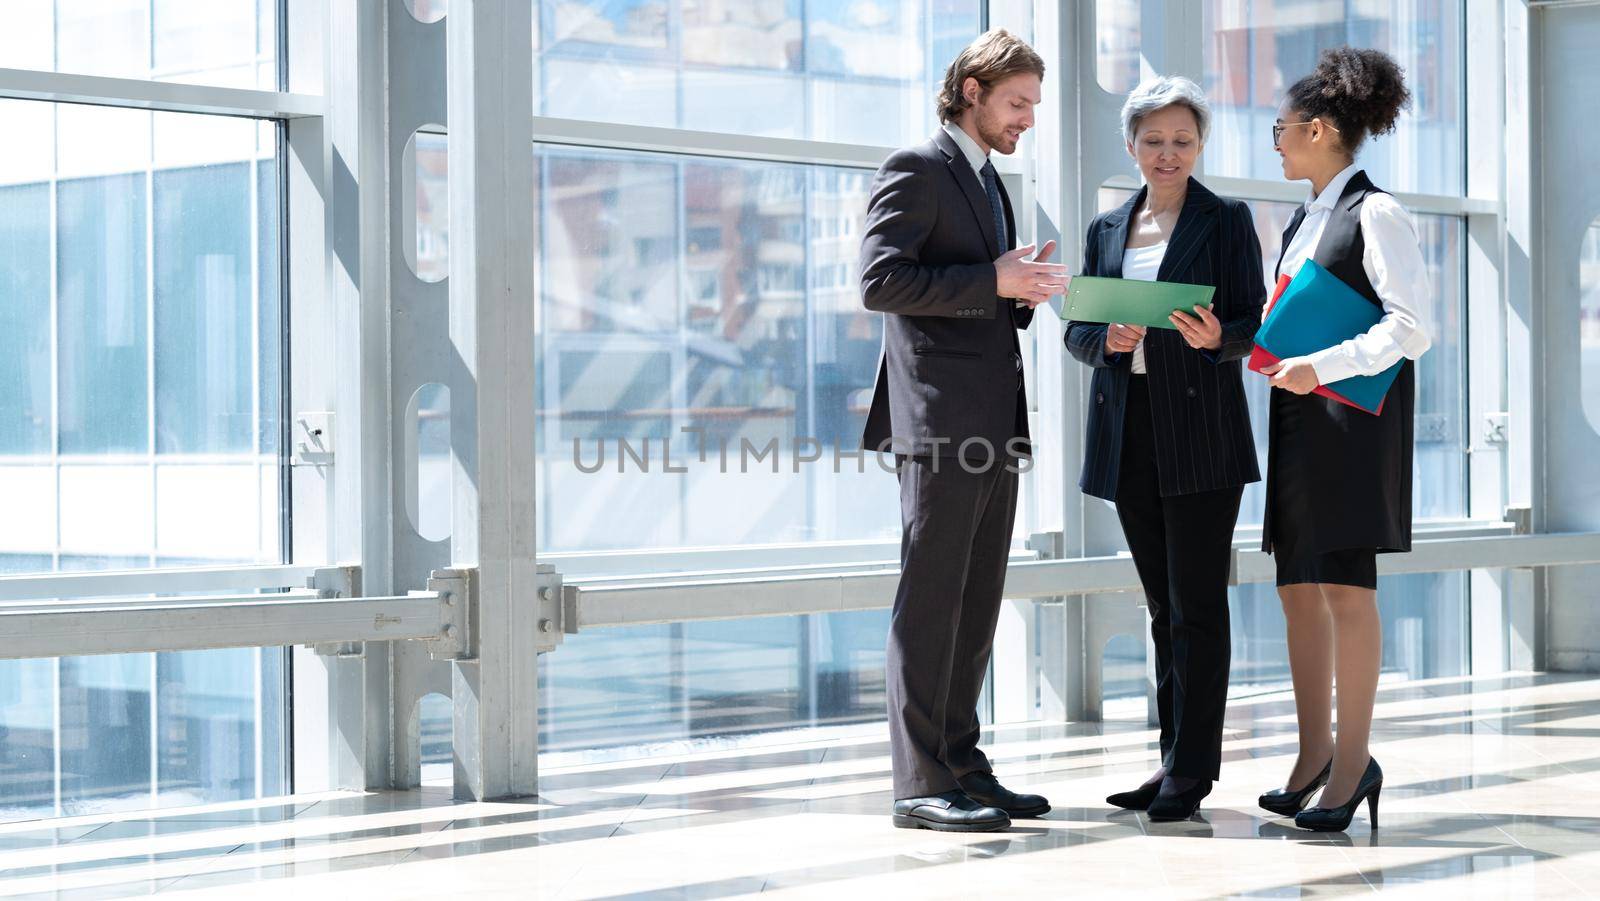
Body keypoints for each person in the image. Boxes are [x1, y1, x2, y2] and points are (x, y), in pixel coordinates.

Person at [859, 28, 1067, 833]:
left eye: (1034, 106)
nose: (1027, 120)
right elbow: (881, 279)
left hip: (989, 417)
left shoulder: (985, 179)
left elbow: (969, 291)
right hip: (941, 422)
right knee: (931, 600)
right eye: (1018, 103)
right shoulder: (917, 167)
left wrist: (1017, 292)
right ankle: (918, 783)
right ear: (972, 92)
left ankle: (962, 765)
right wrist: (992, 278)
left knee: (975, 603)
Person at [1064, 76, 1266, 821]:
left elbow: (1252, 318)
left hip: (1202, 434)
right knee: (1160, 606)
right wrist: (1108, 342)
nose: (1168, 152)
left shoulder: (1227, 219)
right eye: (1154, 140)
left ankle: (1193, 771)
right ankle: (1171, 757)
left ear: (1200, 145)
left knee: (1197, 607)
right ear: (1132, 146)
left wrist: (1222, 339)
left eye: (1182, 140)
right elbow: (1076, 329)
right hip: (1131, 429)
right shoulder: (1107, 229)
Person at [1254, 46, 1431, 833]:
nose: (1277, 139)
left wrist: (1322, 363)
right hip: (1299, 419)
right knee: (1298, 587)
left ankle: (1354, 765)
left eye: (1281, 128)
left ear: (1319, 129)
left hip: (1352, 421)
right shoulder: (1306, 215)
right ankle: (1313, 754)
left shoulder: (1376, 212)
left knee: (1345, 590)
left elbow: (1412, 328)